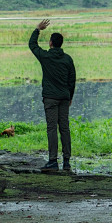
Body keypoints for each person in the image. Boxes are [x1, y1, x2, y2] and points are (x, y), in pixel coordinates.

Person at [29, 18, 76, 172]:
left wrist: (37, 29)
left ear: (51, 43)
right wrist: (70, 97)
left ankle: (53, 161)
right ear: (61, 43)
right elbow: (72, 79)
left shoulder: (46, 56)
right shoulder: (68, 59)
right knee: (64, 128)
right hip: (64, 98)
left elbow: (32, 45)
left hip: (50, 98)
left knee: (51, 129)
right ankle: (67, 162)